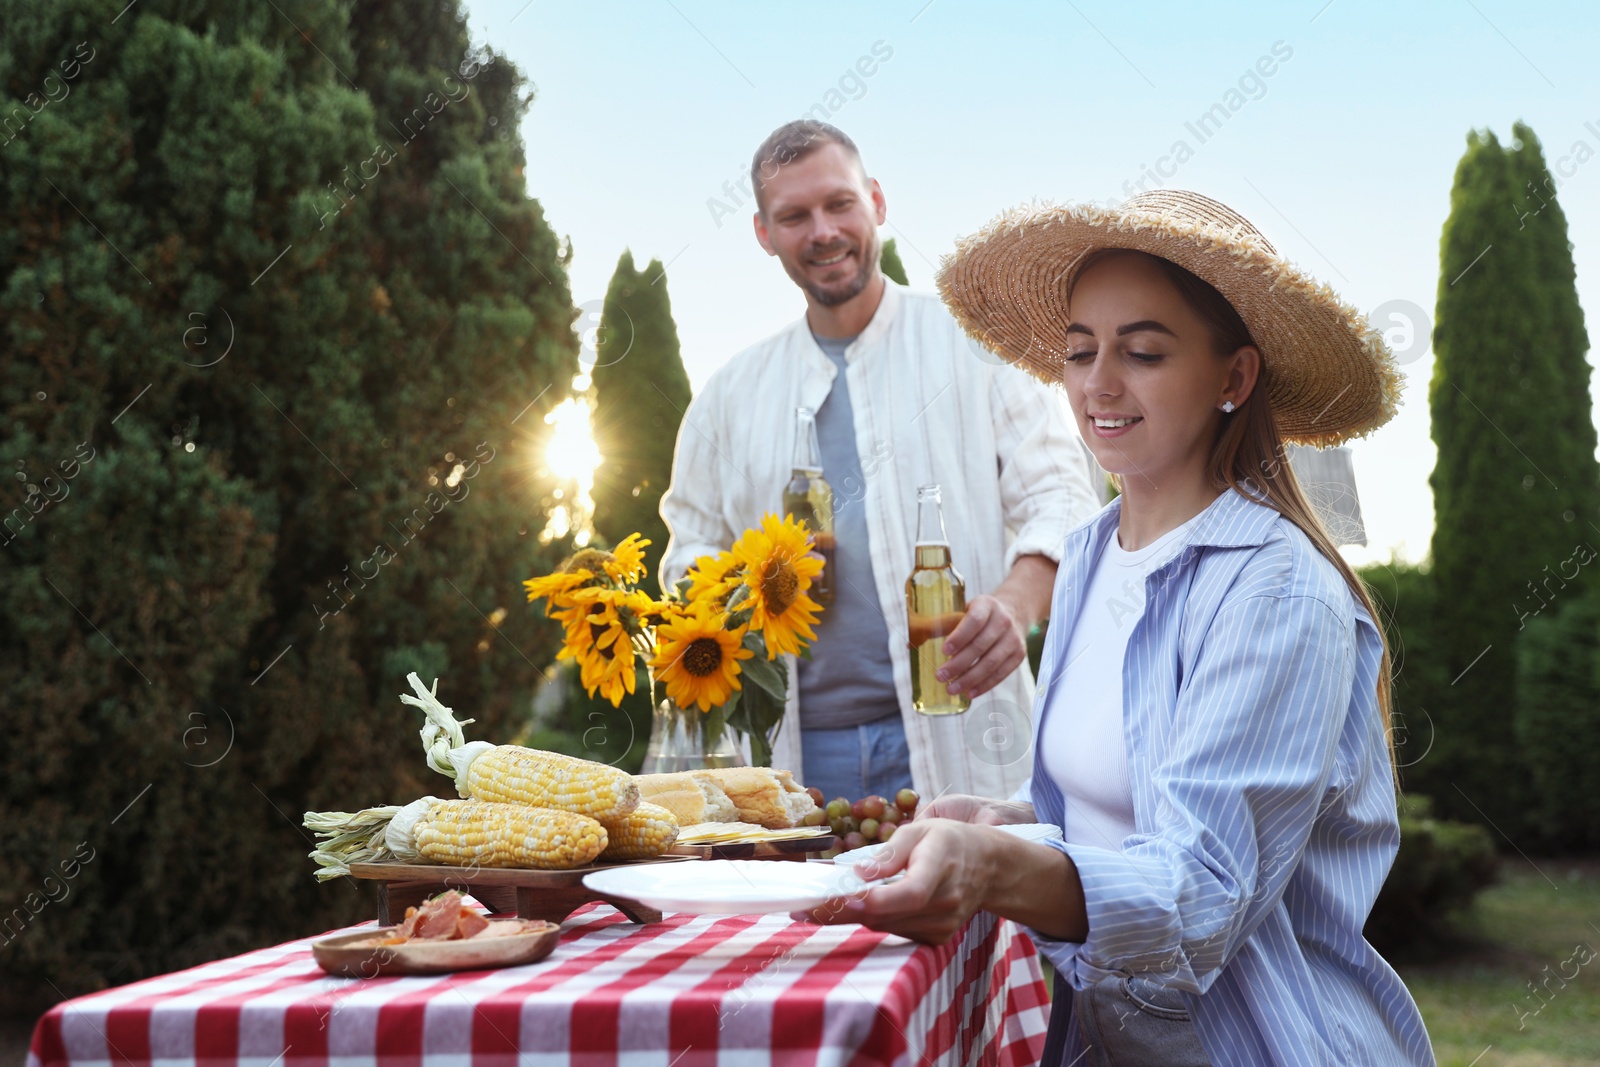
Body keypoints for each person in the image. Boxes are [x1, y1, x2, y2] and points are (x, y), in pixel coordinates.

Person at [803, 190, 1435, 1066]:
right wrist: (1012, 821)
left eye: (1142, 351)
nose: (1099, 382)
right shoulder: (1092, 554)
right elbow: (1118, 810)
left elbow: (1201, 895)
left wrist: (991, 866)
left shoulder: (1278, 591)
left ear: (1234, 378)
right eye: (1078, 351)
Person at [658, 120, 1099, 804]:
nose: (823, 231)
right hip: (795, 754)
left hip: (964, 728)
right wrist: (753, 585)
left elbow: (1063, 492)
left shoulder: (973, 348)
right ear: (763, 233)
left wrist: (1016, 606)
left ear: (877, 203)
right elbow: (687, 553)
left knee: (977, 905)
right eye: (794, 216)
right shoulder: (727, 397)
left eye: (839, 204)